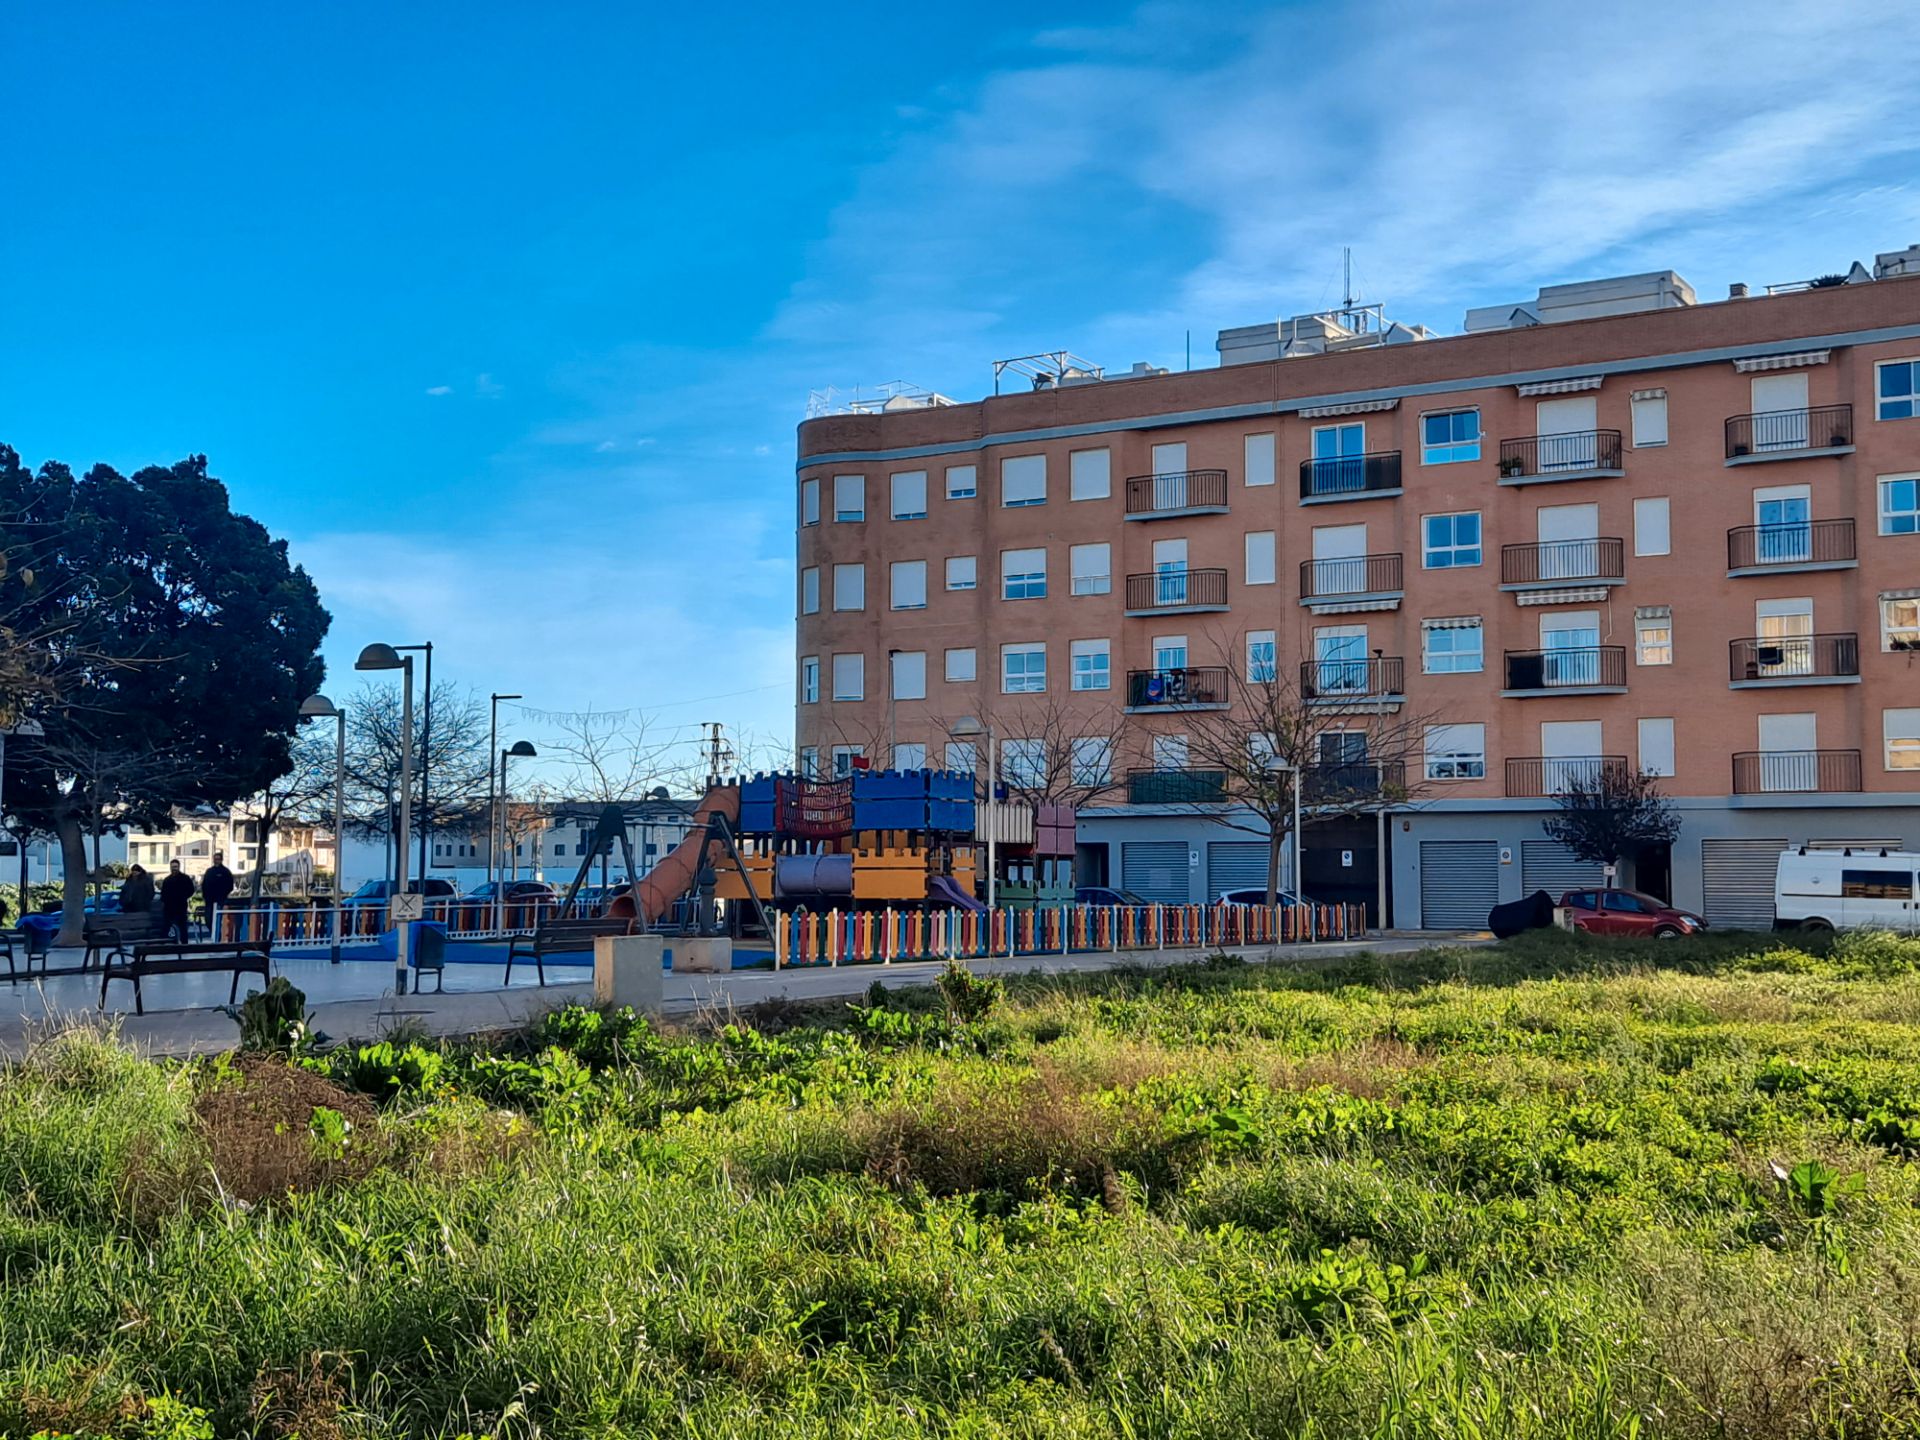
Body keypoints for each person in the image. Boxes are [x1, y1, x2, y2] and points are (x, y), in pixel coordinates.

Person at [159, 859, 195, 943]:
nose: (174, 869)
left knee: (182, 928)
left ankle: (184, 945)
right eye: (172, 867)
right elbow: (163, 894)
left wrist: (183, 897)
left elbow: (191, 890)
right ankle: (165, 945)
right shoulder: (167, 880)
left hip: (181, 907)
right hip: (169, 908)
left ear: (179, 867)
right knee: (167, 927)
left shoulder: (185, 878)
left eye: (175, 867)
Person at [201, 850, 235, 937]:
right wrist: (205, 896)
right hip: (209, 901)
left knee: (220, 919)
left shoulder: (226, 872)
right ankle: (213, 933)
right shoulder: (209, 871)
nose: (216, 861)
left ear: (221, 860)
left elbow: (230, 886)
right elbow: (204, 885)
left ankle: (219, 935)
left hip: (221, 900)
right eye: (215, 859)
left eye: (218, 859)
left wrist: (224, 896)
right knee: (208, 919)